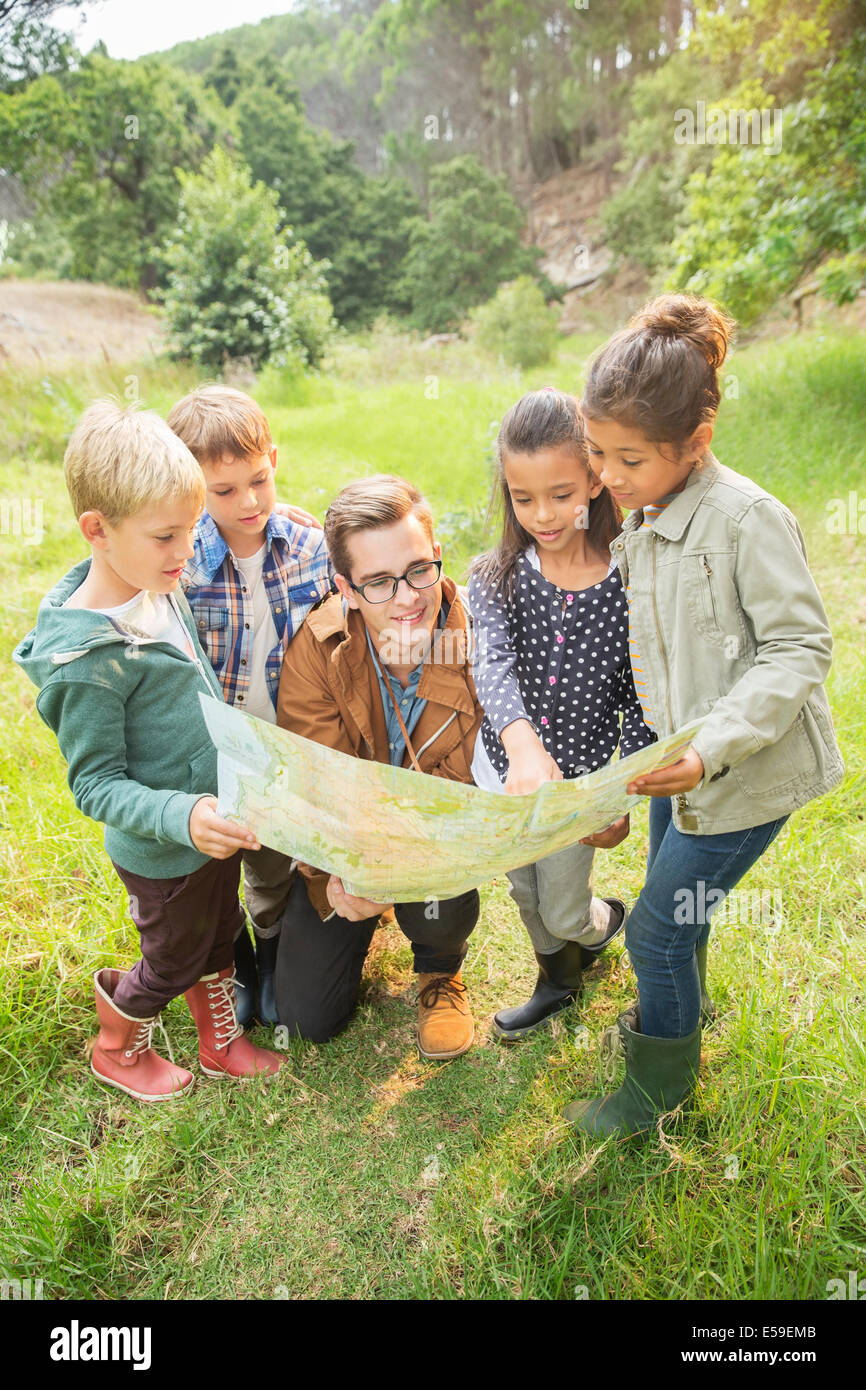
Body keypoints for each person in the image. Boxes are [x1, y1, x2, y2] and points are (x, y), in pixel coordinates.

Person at [564, 294, 844, 1137]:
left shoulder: (745, 522)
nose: (607, 478)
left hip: (743, 774)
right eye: (597, 453)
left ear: (697, 440)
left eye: (629, 460)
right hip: (672, 762)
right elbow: (649, 656)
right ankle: (691, 1014)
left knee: (651, 933)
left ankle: (658, 1096)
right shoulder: (645, 515)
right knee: (675, 912)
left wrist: (711, 748)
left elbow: (799, 647)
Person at [12, 401, 284, 1101]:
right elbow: (95, 785)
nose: (186, 551)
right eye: (168, 536)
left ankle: (221, 1040)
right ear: (96, 531)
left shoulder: (156, 585)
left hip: (211, 827)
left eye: (191, 531)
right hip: (164, 851)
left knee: (221, 932)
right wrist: (183, 815)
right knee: (171, 959)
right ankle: (118, 1048)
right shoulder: (88, 662)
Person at [273, 475, 484, 1059]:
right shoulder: (317, 650)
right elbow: (316, 789)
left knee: (439, 901)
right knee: (306, 1018)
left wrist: (395, 869)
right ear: (345, 587)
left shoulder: (479, 639)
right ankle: (366, 919)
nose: (408, 598)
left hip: (432, 837)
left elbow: (466, 793)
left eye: (420, 570)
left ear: (438, 557)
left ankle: (439, 969)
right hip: (348, 849)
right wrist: (343, 877)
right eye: (379, 583)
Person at [468, 389, 654, 1039]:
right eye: (524, 498)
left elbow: (641, 700)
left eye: (561, 493)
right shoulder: (496, 576)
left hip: (579, 790)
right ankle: (557, 983)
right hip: (504, 776)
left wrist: (618, 792)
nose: (542, 514)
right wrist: (522, 746)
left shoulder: (631, 581)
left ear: (597, 482)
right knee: (525, 894)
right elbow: (490, 663)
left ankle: (604, 923)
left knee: (567, 909)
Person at [167, 385, 332, 1025]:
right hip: (210, 749)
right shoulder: (181, 564)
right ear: (189, 489)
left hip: (278, 746)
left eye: (258, 480)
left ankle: (270, 949)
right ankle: (229, 960)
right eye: (224, 491)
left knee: (268, 863)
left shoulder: (307, 545)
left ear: (273, 459)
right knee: (213, 873)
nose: (249, 502)